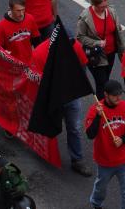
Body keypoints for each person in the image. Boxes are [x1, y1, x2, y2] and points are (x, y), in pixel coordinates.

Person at [30, 30, 94, 177]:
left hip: (70, 95)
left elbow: (82, 65)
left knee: (75, 127)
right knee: (47, 123)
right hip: (50, 96)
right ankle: (43, 149)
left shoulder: (74, 45)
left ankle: (77, 159)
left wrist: (76, 86)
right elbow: (37, 80)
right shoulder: (40, 54)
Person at [85, 79, 125, 209]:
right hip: (105, 161)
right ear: (106, 95)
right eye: (115, 95)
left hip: (124, 161)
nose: (118, 97)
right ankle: (96, 204)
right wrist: (98, 116)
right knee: (100, 189)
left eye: (120, 94)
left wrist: (123, 139)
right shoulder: (95, 110)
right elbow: (90, 134)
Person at [77, 0, 125, 95]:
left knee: (106, 79)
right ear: (94, 5)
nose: (105, 9)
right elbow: (80, 37)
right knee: (102, 83)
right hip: (96, 55)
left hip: (111, 53)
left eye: (106, 5)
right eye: (102, 7)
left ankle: (105, 103)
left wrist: (123, 49)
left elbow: (118, 31)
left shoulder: (111, 11)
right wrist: (96, 43)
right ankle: (101, 107)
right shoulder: (85, 17)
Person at [0, 0, 38, 64]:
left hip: (28, 63)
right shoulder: (1, 26)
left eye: (23, 10)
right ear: (10, 9)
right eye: (18, 11)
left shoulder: (30, 19)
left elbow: (37, 41)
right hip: (12, 65)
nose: (21, 14)